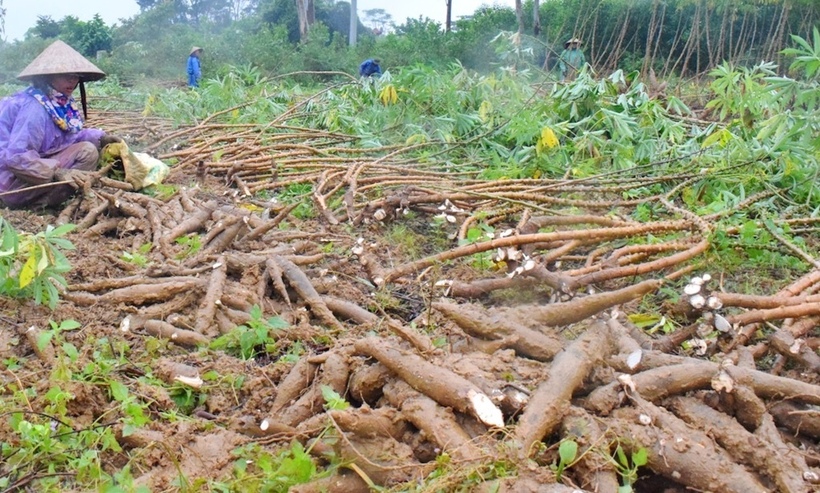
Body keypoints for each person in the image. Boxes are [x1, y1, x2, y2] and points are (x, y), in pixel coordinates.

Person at [0, 40, 119, 209]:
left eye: (76, 76)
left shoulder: (56, 101)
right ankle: (39, 205)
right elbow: (15, 158)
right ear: (48, 76)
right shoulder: (34, 108)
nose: (73, 81)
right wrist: (57, 171)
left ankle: (50, 198)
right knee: (87, 152)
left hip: (34, 165)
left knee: (87, 148)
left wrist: (101, 137)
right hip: (9, 181)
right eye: (66, 75)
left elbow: (68, 137)